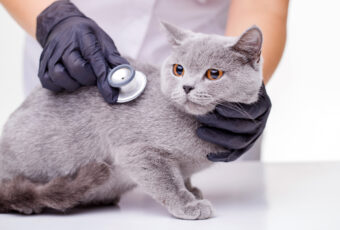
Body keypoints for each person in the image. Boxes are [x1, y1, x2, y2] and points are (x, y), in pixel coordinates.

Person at [0, 0, 288, 161]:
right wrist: (55, 18)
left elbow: (262, 8)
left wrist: (243, 88)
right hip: (73, 85)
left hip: (206, 120)